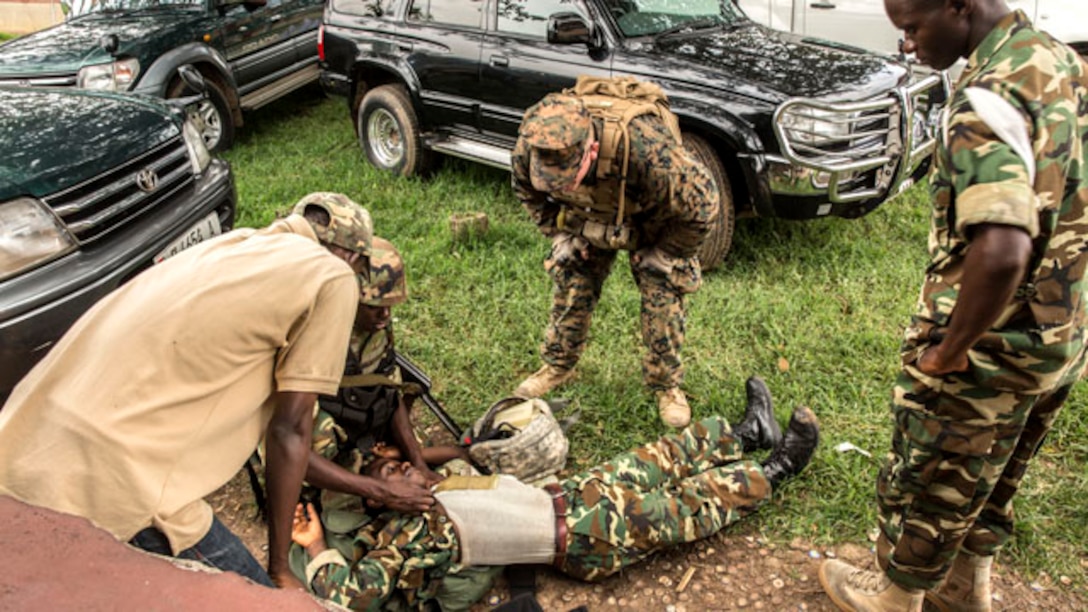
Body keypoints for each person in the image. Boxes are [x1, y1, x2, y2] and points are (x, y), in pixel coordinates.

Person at [818, 1, 1088, 610]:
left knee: (932, 482)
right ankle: (967, 589)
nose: (908, 45)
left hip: (990, 351)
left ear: (959, 6)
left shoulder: (985, 99)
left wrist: (948, 350)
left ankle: (895, 599)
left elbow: (1000, 250)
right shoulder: (1054, 59)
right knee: (992, 477)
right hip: (1059, 336)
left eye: (912, 28)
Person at [0, 192, 377, 589]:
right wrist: (281, 567)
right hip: (117, 475)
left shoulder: (230, 246)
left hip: (24, 438)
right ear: (351, 255)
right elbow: (291, 431)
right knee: (257, 598)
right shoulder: (331, 275)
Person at [289, 380, 817, 610]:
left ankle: (747, 434)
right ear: (383, 501)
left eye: (402, 461)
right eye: (396, 471)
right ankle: (778, 466)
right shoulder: (409, 536)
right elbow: (347, 595)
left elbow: (445, 455)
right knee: (685, 507)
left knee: (656, 458)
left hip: (571, 496)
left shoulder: (434, 487)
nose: (408, 462)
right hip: (584, 536)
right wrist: (314, 544)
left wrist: (406, 470)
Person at [511, 79, 718, 428]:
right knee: (572, 283)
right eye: (552, 181)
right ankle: (558, 366)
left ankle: (666, 385)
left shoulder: (650, 151)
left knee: (662, 294)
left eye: (565, 179)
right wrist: (559, 234)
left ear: (591, 151)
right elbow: (526, 191)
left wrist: (666, 254)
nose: (557, 186)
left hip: (651, 218)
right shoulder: (532, 145)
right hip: (587, 218)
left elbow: (705, 206)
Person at [301, 235, 444, 516]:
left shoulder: (376, 329)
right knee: (319, 436)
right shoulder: (309, 339)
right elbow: (291, 449)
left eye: (391, 305)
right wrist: (379, 490)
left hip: (359, 433)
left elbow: (390, 394)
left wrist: (420, 466)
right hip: (314, 446)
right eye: (373, 306)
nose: (385, 316)